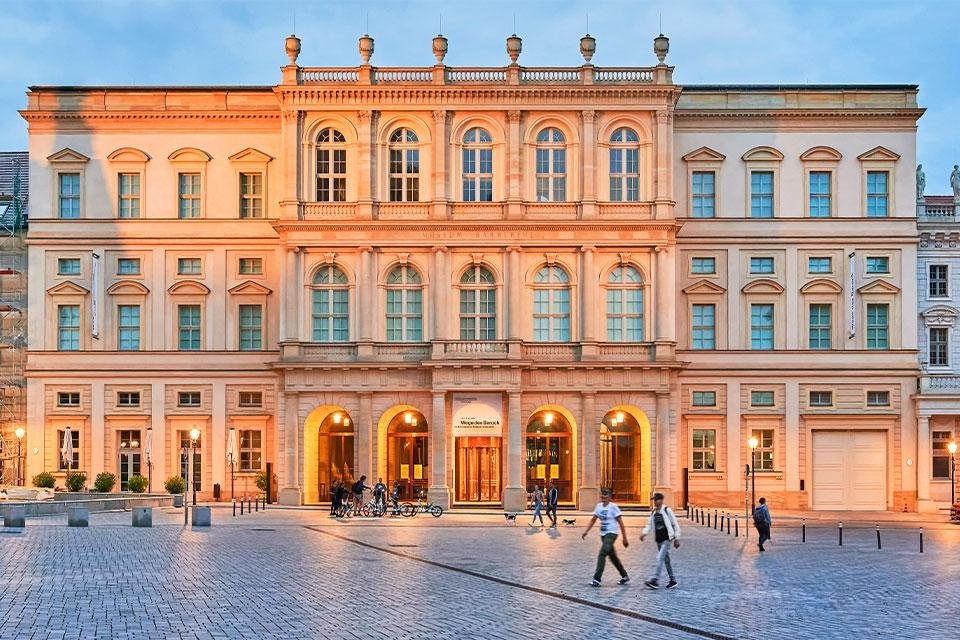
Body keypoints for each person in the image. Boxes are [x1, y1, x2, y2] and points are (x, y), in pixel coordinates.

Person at [580, 488, 629, 587]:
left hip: (611, 534)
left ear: (610, 497)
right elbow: (593, 520)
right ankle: (624, 576)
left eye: (606, 497)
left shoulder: (613, 507)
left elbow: (621, 523)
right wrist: (586, 531)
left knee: (602, 554)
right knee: (613, 557)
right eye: (602, 497)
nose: (604, 498)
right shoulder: (599, 507)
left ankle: (596, 579)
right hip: (603, 535)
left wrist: (625, 538)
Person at [641, 492, 681, 590]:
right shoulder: (653, 512)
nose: (655, 502)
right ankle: (673, 580)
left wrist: (677, 538)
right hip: (658, 540)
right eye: (654, 500)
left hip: (667, 539)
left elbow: (675, 524)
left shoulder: (667, 510)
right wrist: (644, 533)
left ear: (661, 500)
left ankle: (655, 580)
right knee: (666, 560)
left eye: (656, 499)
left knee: (659, 558)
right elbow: (649, 524)